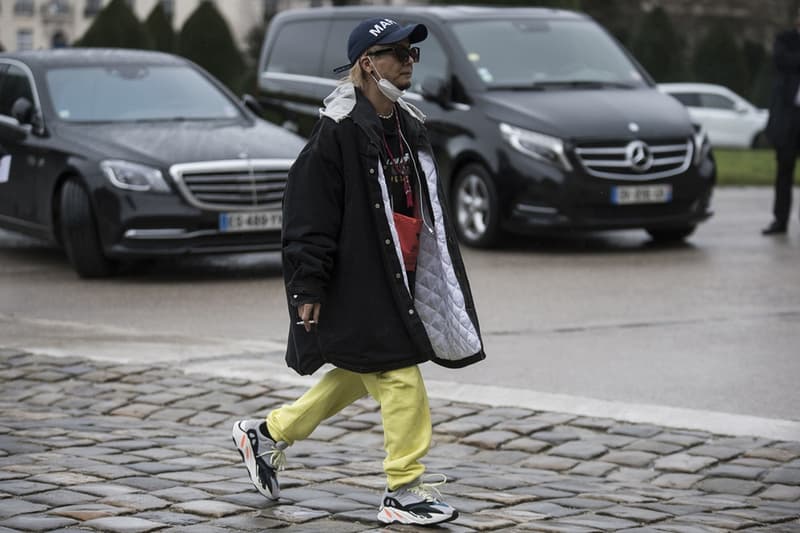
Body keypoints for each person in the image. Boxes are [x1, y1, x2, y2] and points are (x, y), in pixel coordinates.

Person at [232, 17, 485, 527]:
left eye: (414, 54)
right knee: (399, 375)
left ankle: (265, 434)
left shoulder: (407, 124)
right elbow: (307, 215)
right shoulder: (337, 132)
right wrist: (307, 286)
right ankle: (403, 490)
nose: (410, 61)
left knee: (356, 371)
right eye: (398, 53)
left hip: (399, 273)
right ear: (367, 63)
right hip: (357, 279)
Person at [763, 9, 800, 235]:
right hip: (790, 118)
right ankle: (780, 220)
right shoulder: (785, 40)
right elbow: (782, 61)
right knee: (784, 171)